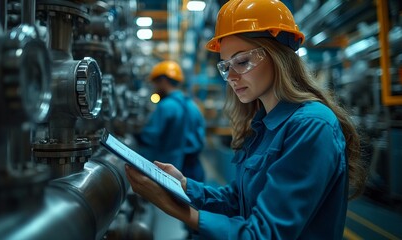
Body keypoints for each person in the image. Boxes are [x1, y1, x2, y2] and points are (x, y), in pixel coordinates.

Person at [125, 0, 368, 239]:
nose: (230, 77)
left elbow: (265, 234)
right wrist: (184, 184)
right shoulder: (264, 124)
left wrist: (183, 212)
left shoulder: (311, 126)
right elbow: (238, 200)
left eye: (241, 62)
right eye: (225, 66)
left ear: (277, 56)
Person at [135, 60, 206, 182]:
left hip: (173, 170)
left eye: (155, 83)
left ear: (163, 81)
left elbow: (149, 137)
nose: (154, 88)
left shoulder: (166, 106)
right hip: (194, 169)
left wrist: (135, 135)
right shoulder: (193, 105)